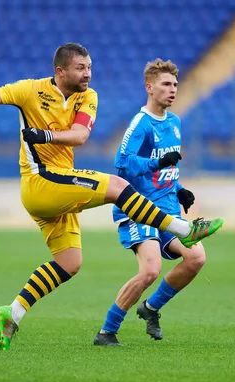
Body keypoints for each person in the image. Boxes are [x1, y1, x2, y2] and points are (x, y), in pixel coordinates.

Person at [0, 43, 224, 351]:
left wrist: (45, 135)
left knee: (70, 263)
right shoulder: (29, 91)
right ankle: (184, 229)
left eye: (90, 68)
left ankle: (12, 313)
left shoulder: (88, 96)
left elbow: (80, 136)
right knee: (116, 186)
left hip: (59, 187)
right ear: (61, 71)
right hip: (40, 182)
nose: (88, 74)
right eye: (81, 68)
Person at [93, 59, 209, 346]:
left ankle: (151, 308)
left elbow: (167, 169)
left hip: (167, 207)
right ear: (149, 87)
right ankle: (107, 331)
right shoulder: (141, 123)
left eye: (175, 85)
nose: (173, 90)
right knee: (150, 270)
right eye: (166, 85)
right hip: (138, 209)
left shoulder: (175, 122)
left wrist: (179, 189)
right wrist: (158, 161)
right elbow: (122, 164)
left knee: (196, 258)